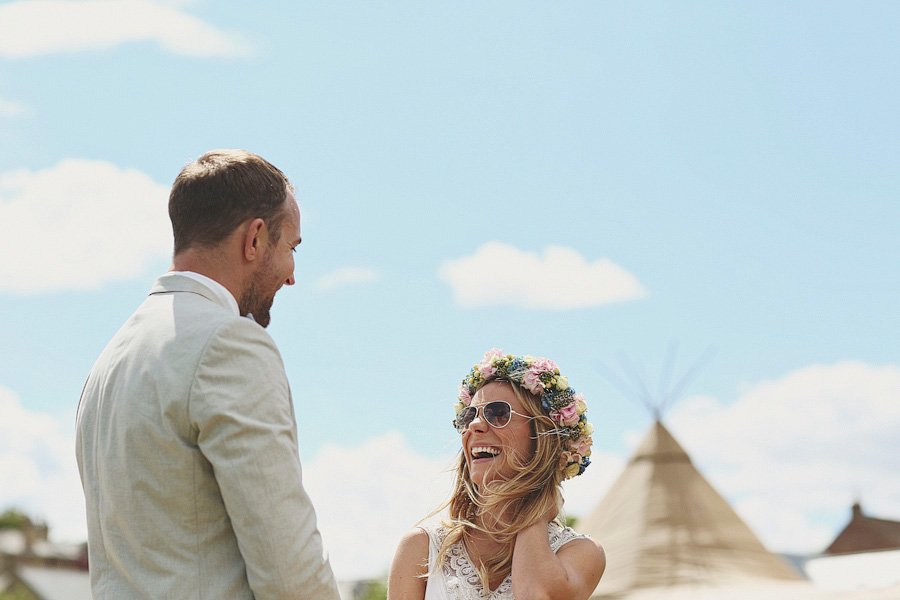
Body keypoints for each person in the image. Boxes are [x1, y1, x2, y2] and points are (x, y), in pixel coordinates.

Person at [75, 149, 340, 599]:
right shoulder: (228, 345)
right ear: (255, 239)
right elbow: (285, 562)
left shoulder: (110, 360)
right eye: (291, 248)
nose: (292, 276)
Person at [389, 349, 606, 600]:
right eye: (469, 415)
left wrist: (535, 510)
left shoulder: (581, 552)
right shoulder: (420, 548)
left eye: (498, 413)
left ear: (542, 436)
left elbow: (535, 595)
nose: (474, 425)